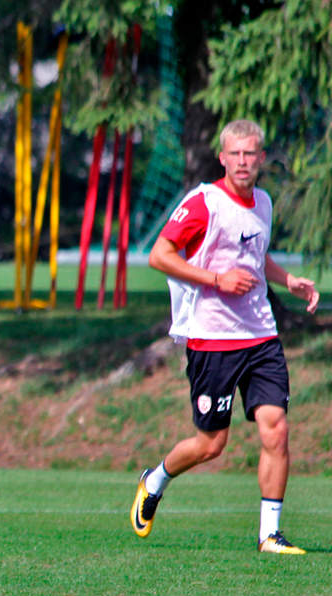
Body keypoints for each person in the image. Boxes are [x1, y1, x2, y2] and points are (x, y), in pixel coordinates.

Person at [130, 119, 320, 553]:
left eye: (250, 154)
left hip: (261, 336)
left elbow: (255, 253)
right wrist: (216, 279)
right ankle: (154, 479)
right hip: (212, 340)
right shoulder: (204, 202)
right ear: (222, 157)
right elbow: (160, 256)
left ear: (261, 159)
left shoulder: (264, 203)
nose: (242, 161)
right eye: (235, 153)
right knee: (211, 444)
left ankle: (269, 535)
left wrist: (287, 280)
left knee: (276, 428)